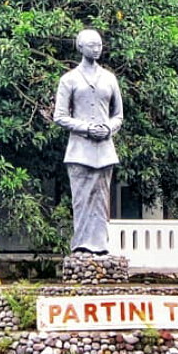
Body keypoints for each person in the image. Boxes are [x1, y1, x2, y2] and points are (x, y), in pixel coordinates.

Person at [53, 29, 123, 254]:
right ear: (80, 47)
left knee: (102, 200)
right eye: (92, 45)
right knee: (82, 200)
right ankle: (82, 245)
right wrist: (86, 128)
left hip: (104, 150)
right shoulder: (69, 79)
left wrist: (108, 129)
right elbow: (60, 116)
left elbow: (118, 115)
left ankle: (101, 245)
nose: (97, 48)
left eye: (100, 44)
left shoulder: (109, 78)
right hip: (79, 151)